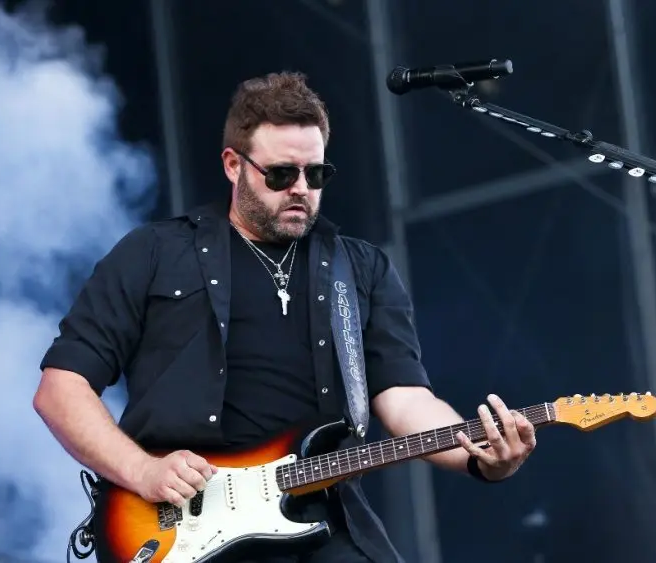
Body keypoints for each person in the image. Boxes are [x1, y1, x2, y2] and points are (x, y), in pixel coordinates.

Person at [33, 71, 537, 563]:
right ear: (234, 165)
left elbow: (404, 398)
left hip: (320, 518)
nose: (301, 188)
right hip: (180, 522)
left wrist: (479, 456)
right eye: (281, 174)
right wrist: (142, 471)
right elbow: (60, 389)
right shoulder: (155, 252)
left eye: (316, 174)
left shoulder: (360, 269)